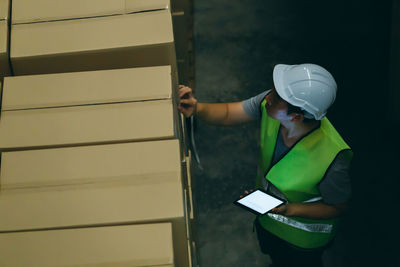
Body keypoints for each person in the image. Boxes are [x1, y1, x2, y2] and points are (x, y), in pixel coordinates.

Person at [178, 63, 353, 267]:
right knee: (276, 258)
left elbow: (338, 207)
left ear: (296, 116)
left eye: (277, 98)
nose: (268, 97)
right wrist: (197, 108)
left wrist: (290, 210)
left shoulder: (332, 159)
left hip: (303, 242)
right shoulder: (272, 106)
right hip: (268, 221)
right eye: (273, 91)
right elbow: (228, 113)